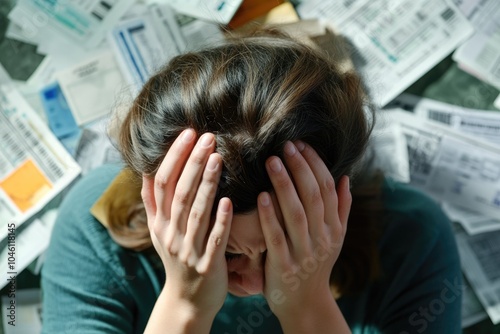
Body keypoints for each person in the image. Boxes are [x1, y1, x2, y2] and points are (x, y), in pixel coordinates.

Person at [41, 30, 462, 333]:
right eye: (224, 252)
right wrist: (185, 306)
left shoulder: (414, 238)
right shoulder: (94, 225)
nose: (259, 284)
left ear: (337, 194)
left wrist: (306, 305)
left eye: (294, 242)